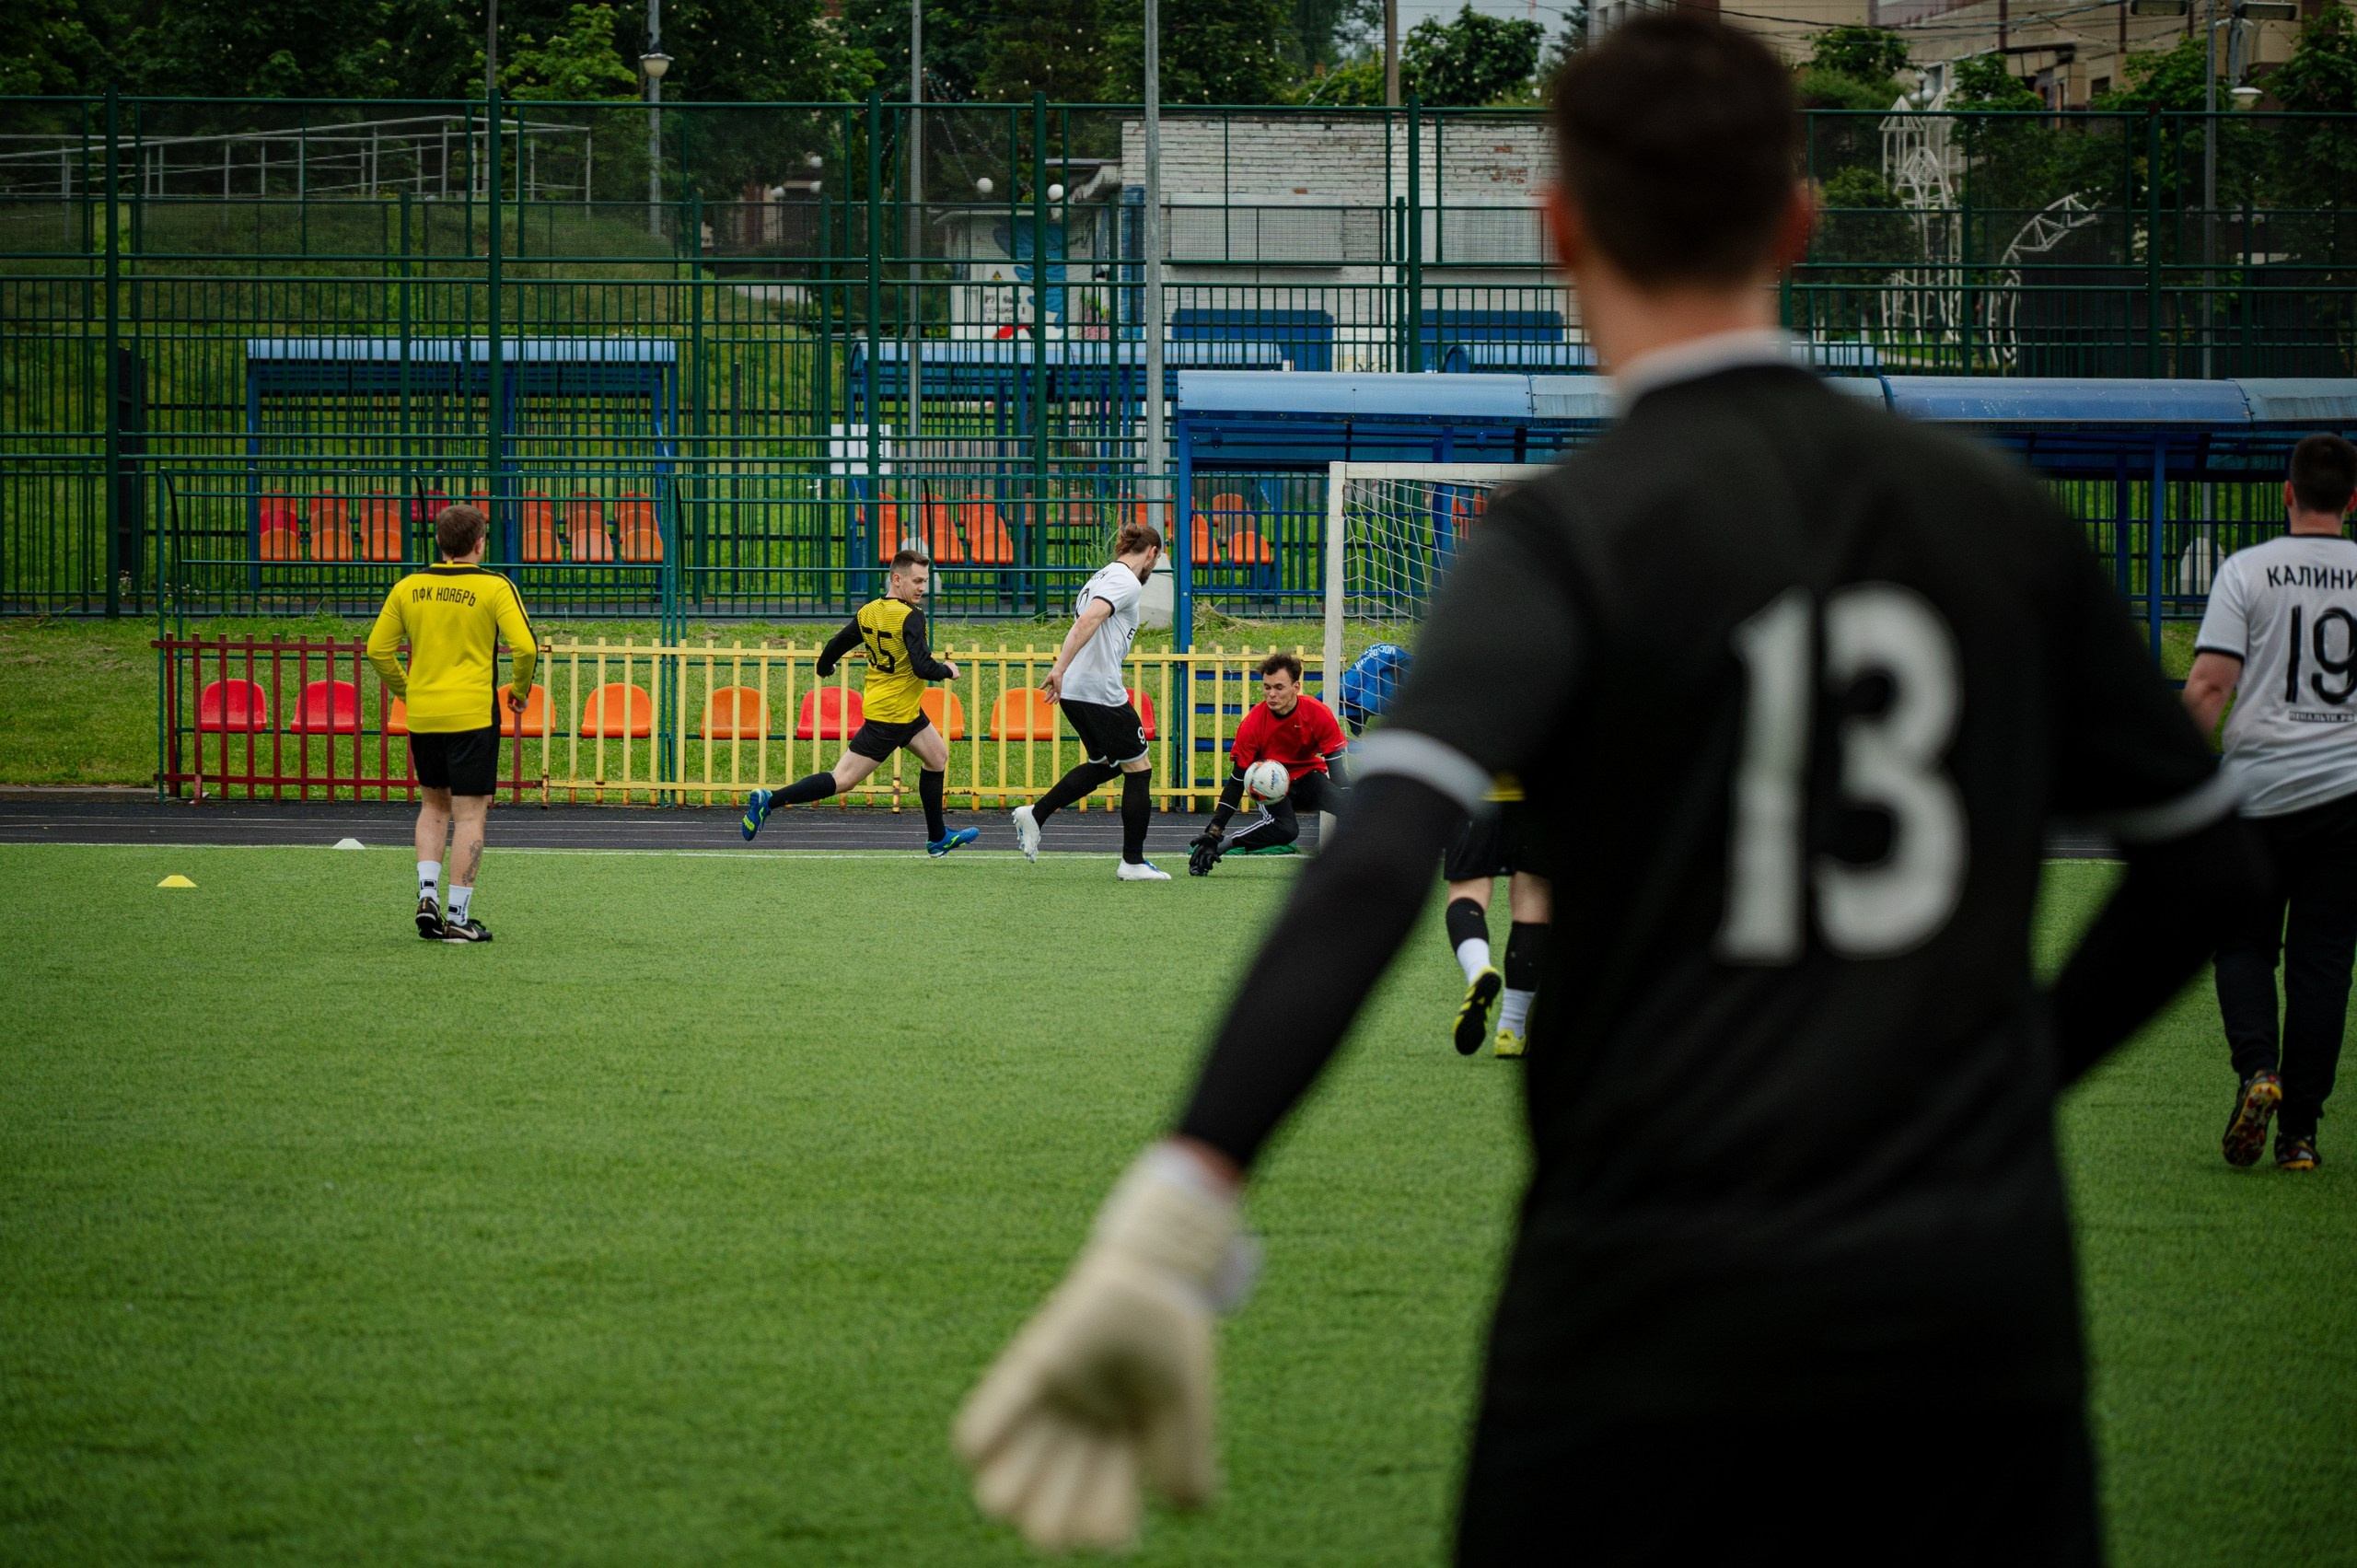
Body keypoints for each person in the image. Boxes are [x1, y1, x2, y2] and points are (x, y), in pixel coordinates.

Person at [949, 17, 2270, 1562]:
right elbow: (2209, 868)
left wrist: (1179, 1213)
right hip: (1966, 1312)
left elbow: (1376, 857)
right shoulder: (1994, 519)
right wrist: (2009, 1083)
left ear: (1561, 225)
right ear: (1797, 221)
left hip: (1642, 1290)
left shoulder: (1568, 538)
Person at [2183, 432, 2357, 1172]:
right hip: (2348, 798)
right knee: (2323, 963)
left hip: (2257, 794)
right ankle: (2302, 1137)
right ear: (2353, 500)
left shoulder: (2245, 570)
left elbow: (2209, 687)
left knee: (2244, 942)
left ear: (2287, 494)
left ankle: (2260, 1070)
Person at [365, 502, 536, 943]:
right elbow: (526, 649)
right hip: (472, 713)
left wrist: (408, 692)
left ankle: (428, 896)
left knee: (433, 805)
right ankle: (458, 916)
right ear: (480, 542)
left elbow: (378, 651)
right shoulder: (495, 587)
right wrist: (518, 691)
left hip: (425, 714)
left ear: (440, 542)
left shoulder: (409, 587)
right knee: (471, 813)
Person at [740, 549, 978, 858]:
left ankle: (938, 838)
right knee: (843, 780)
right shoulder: (911, 616)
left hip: (900, 708)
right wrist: (948, 670)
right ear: (897, 578)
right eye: (917, 581)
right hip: (891, 716)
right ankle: (768, 800)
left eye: (925, 581)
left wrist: (825, 667)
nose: (922, 588)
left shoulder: (869, 611)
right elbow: (922, 666)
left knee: (937, 756)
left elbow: (837, 643)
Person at [1011, 522, 1167, 880]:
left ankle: (1036, 814)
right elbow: (1089, 620)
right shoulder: (1125, 580)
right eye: (1154, 563)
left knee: (1108, 763)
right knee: (1139, 769)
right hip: (1097, 690)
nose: (1151, 571)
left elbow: (1086, 622)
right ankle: (1133, 862)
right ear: (1151, 553)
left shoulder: (1101, 575)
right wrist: (1060, 667)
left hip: (1078, 691)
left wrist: (1064, 672)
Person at [1186, 652, 1350, 875]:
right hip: (1270, 784)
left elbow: (1337, 771)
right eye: (1266, 687)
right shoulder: (1252, 723)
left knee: (1351, 807)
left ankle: (1351, 862)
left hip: (1308, 775)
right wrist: (1214, 833)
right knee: (1287, 831)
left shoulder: (1318, 713)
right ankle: (1227, 844)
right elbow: (1235, 783)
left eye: (1279, 687)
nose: (1271, 694)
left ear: (1296, 686)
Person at [1440, 785, 1550, 1060]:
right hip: (1537, 798)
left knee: (1468, 894)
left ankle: (1479, 970)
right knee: (1533, 900)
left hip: (1476, 789)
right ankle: (1510, 1031)